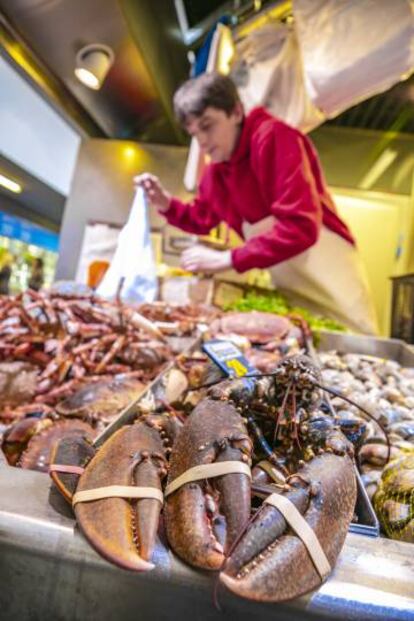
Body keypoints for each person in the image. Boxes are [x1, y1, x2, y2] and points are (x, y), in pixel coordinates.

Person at [135, 73, 378, 334]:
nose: (202, 141)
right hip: (293, 283)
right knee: (310, 339)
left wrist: (228, 259)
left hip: (330, 273)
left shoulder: (275, 138)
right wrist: (165, 203)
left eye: (208, 126)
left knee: (355, 340)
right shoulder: (216, 172)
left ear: (236, 112)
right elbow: (202, 217)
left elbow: (301, 228)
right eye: (194, 133)